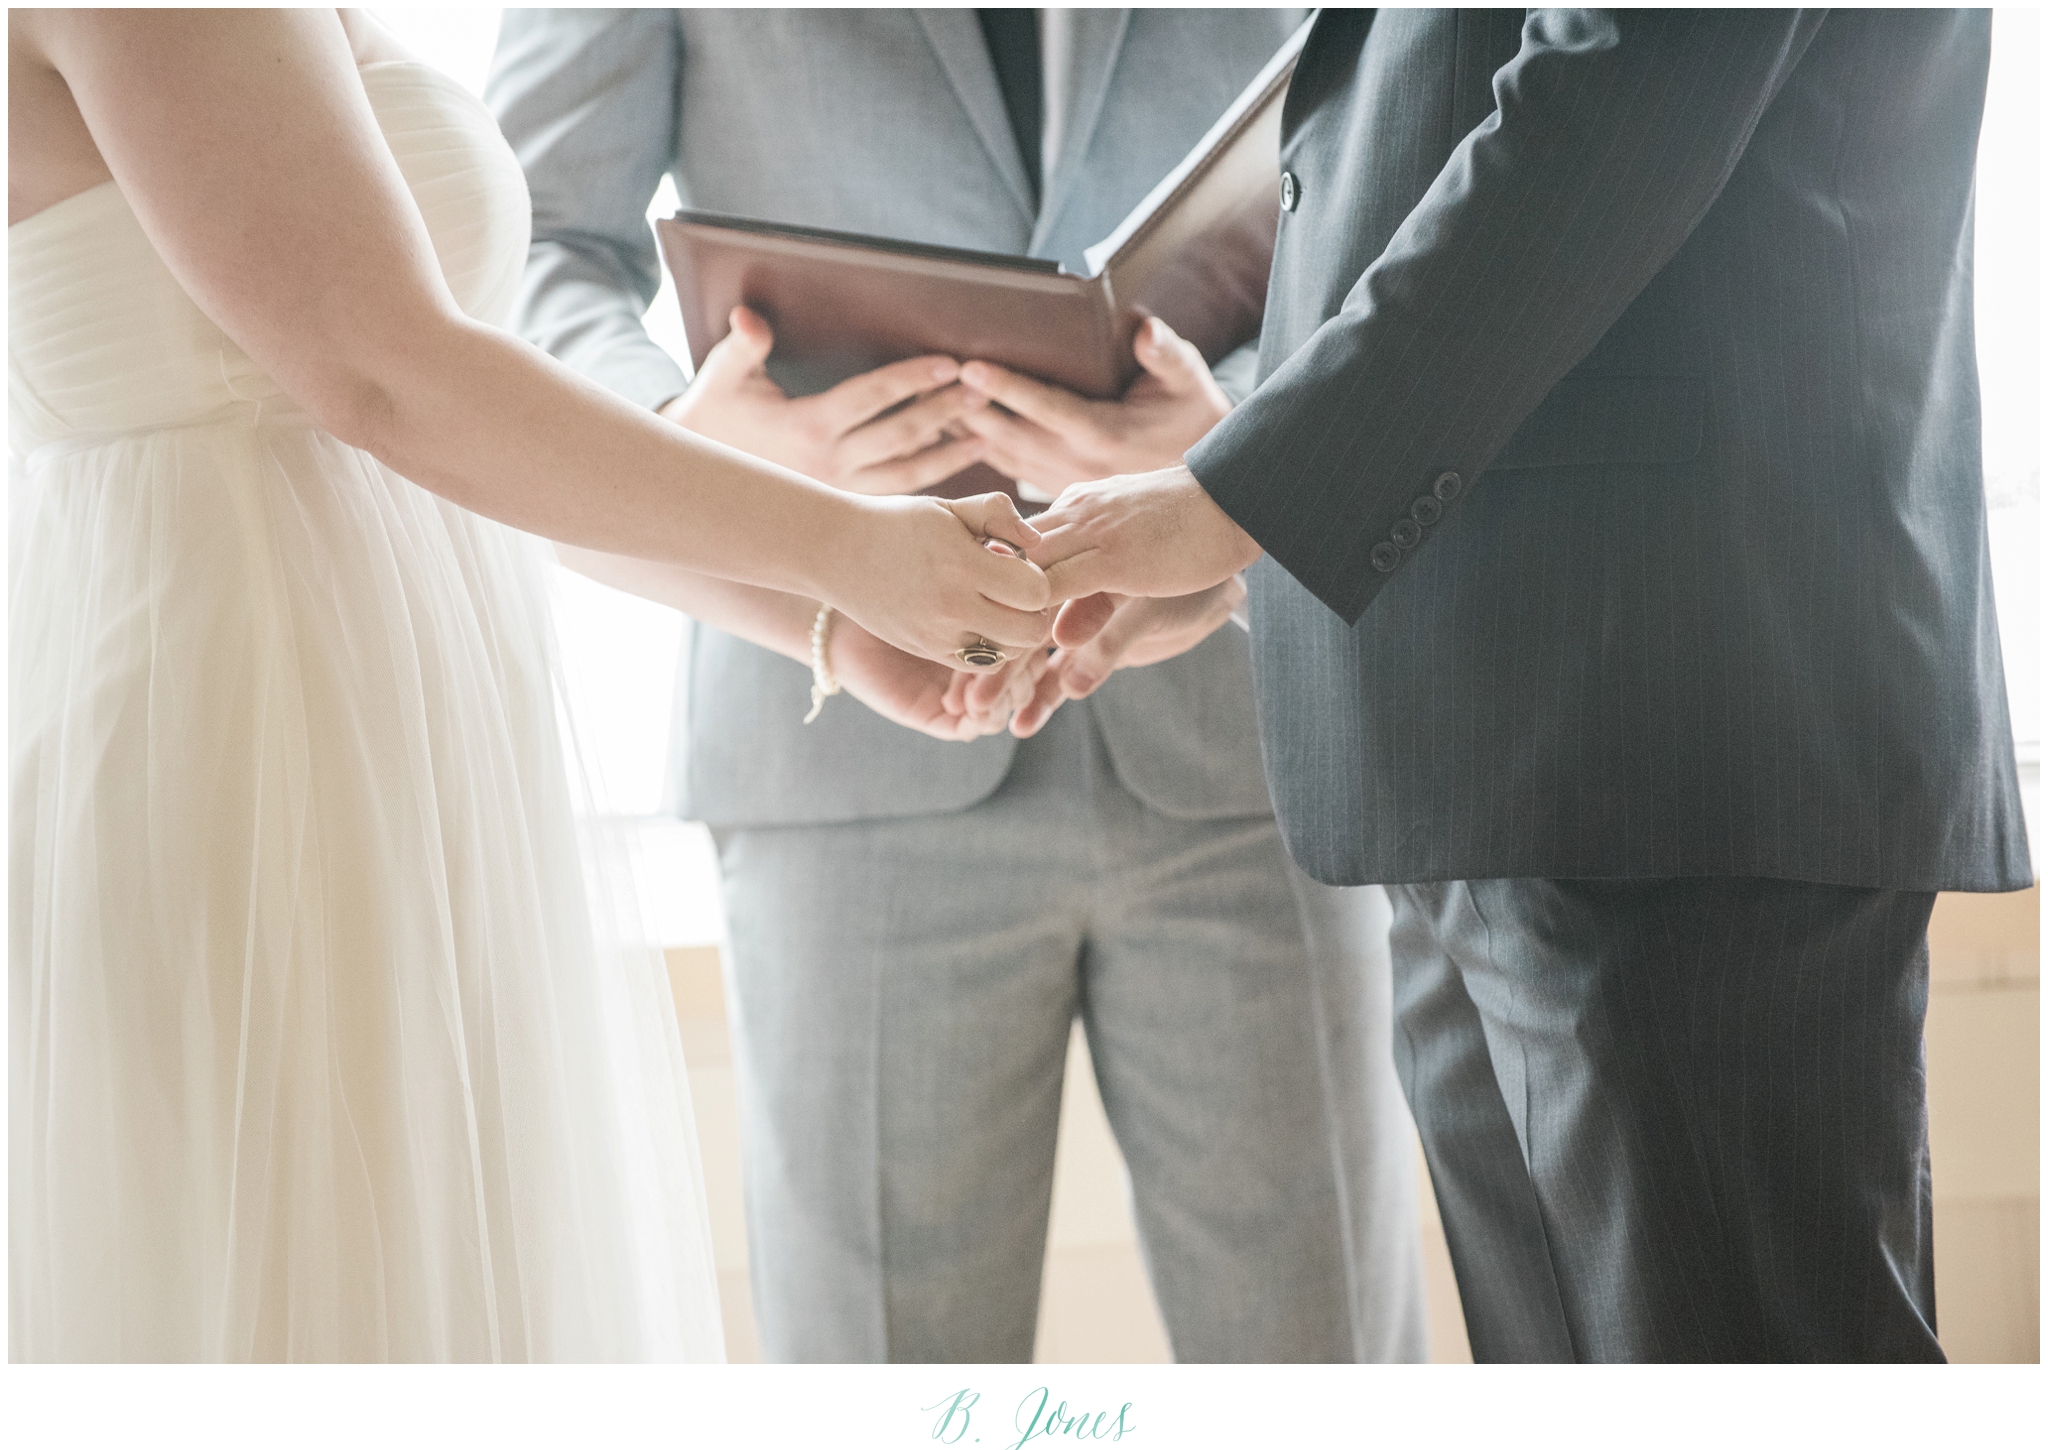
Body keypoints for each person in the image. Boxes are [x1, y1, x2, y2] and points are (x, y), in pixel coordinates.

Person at [7, 7, 1052, 1362]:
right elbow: (388, 380)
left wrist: (823, 623)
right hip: (232, 750)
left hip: (393, 761)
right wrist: (850, 547)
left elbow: (464, 452)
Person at [1033, 8, 2032, 1361]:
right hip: (1492, 730)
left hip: (1677, 726)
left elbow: (1618, 91)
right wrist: (1249, 542)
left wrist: (1242, 498)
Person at [488, 8, 1427, 1363]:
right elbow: (522, 244)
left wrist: (1247, 437)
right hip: (841, 753)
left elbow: (1392, 182)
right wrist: (688, 443)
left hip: (1245, 732)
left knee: (1321, 1365)